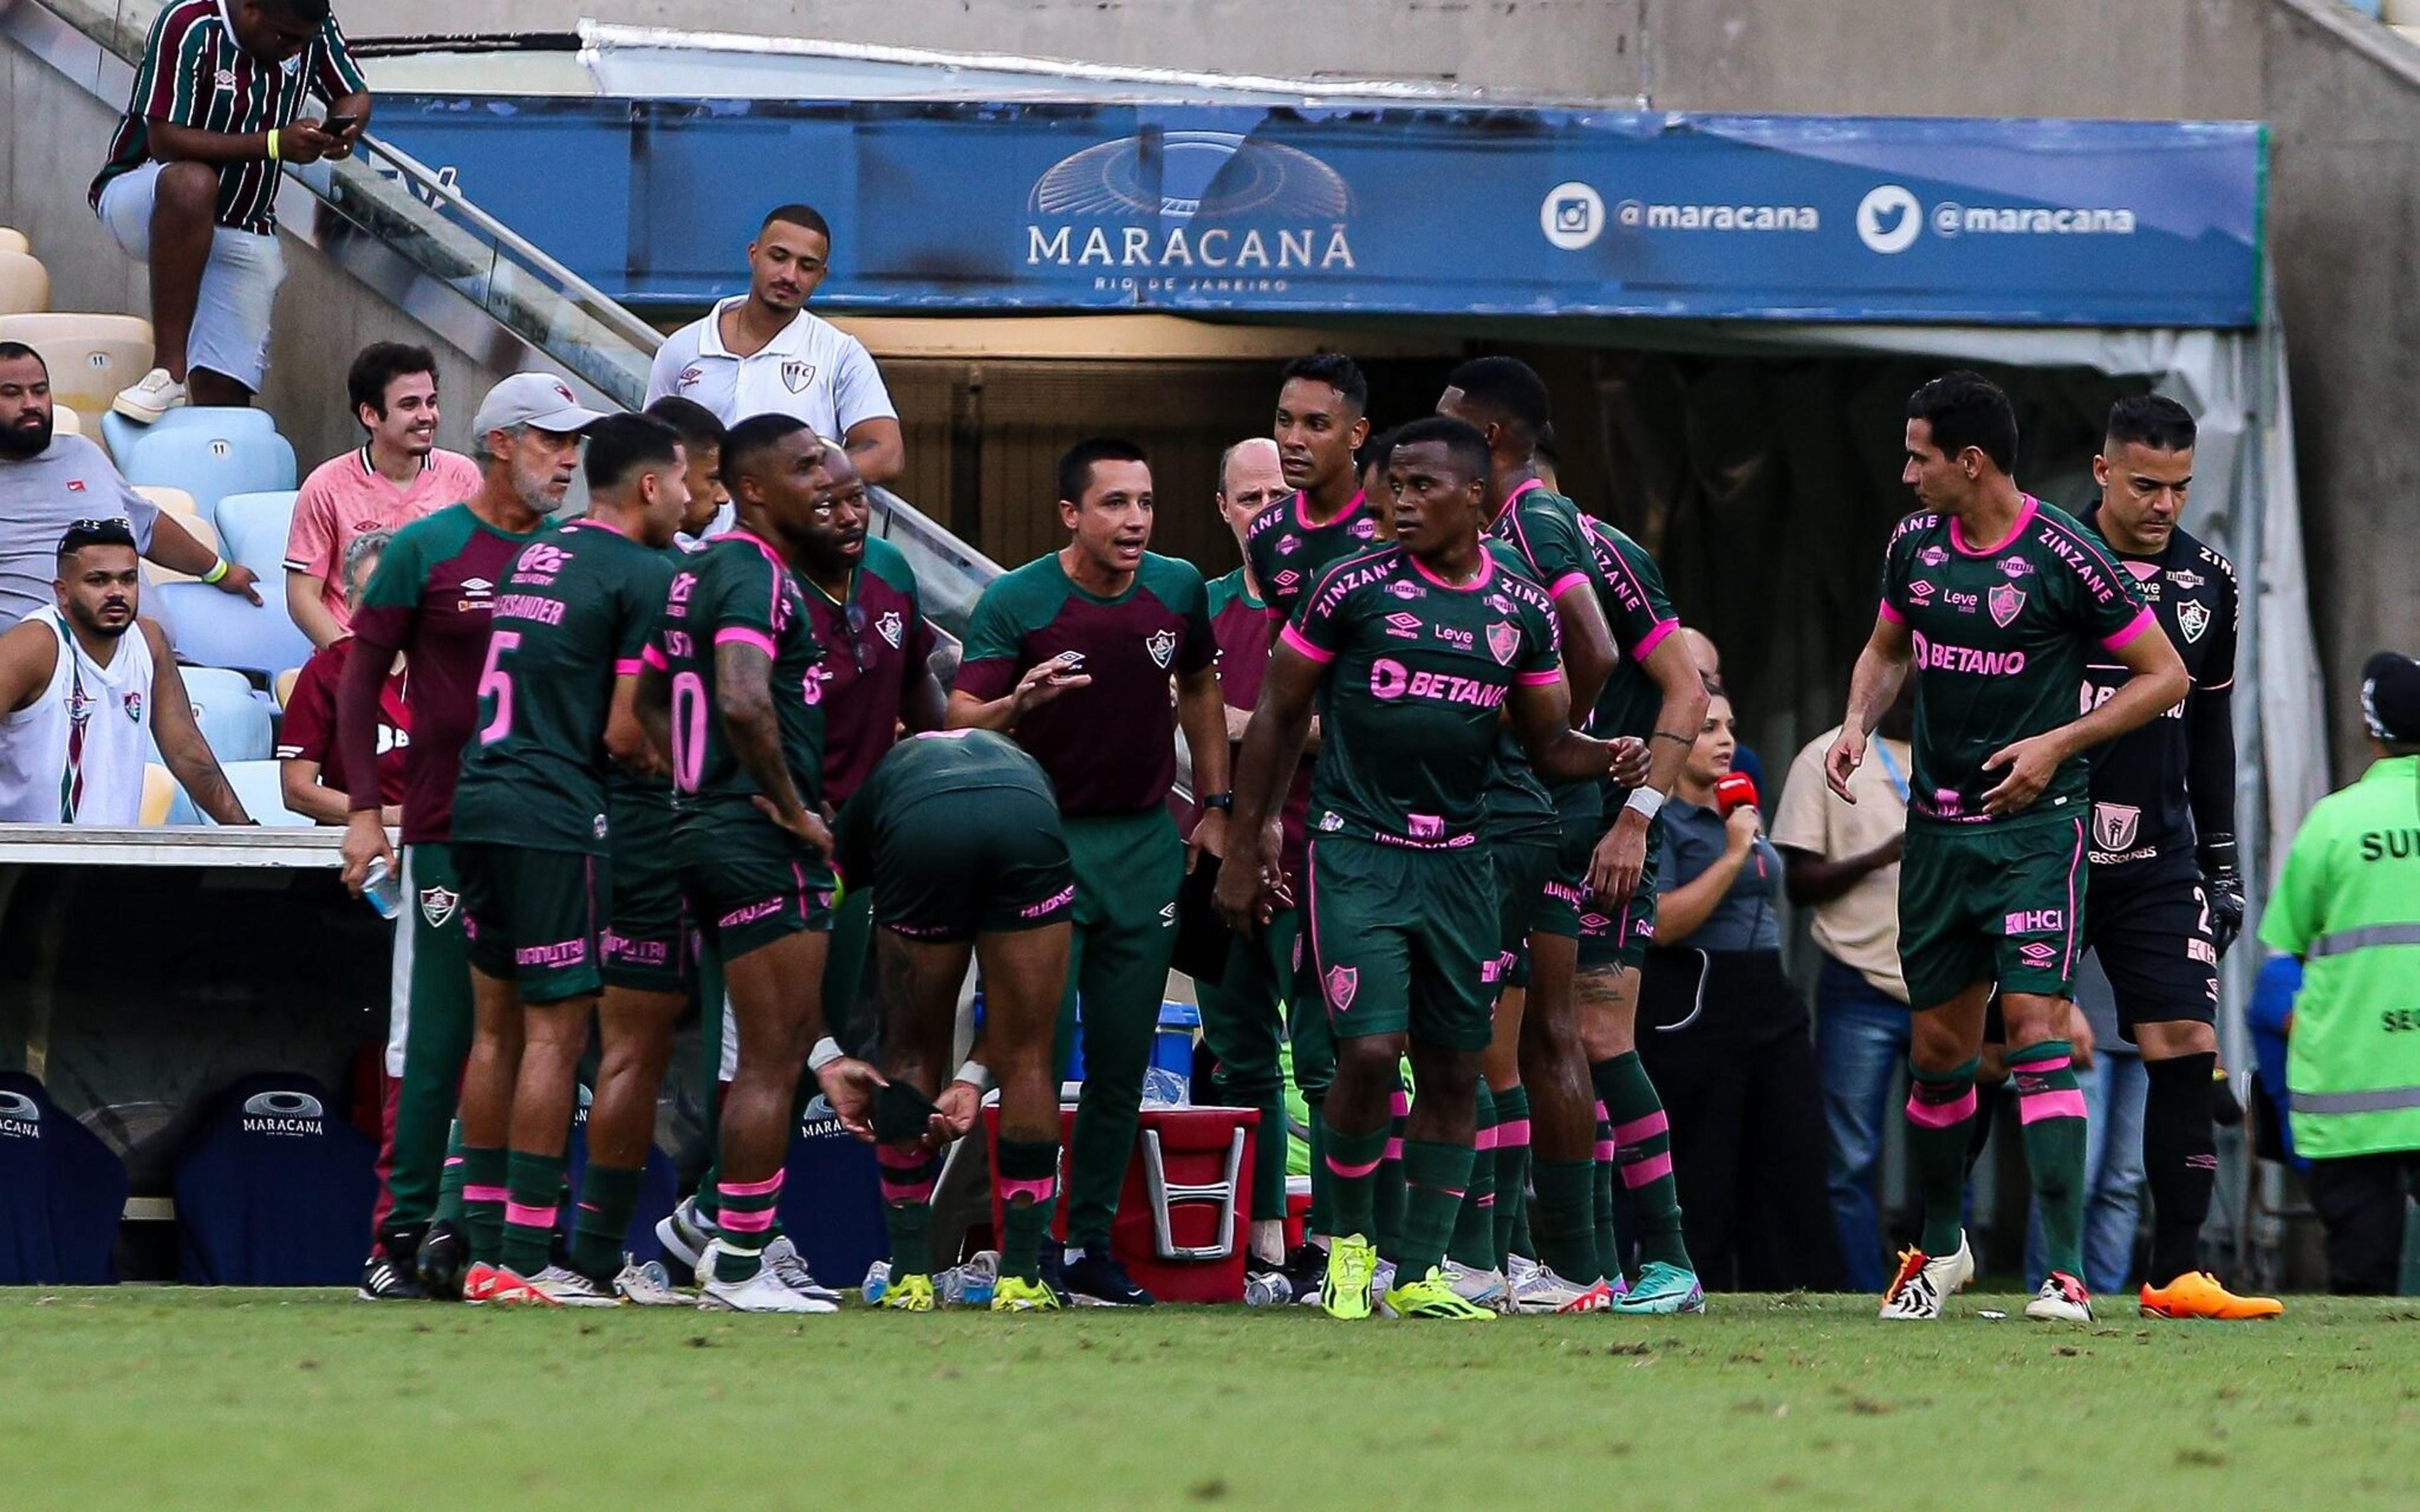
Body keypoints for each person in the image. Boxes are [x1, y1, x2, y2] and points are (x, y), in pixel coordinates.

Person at [1215, 416, 1650, 1322]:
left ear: (1475, 500)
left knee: (1455, 1069)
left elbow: (1546, 743)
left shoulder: (1521, 613)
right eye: (1396, 486)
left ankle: (1418, 1275)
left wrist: (1610, 757)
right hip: (1356, 850)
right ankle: (1349, 1252)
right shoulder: (1347, 589)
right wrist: (1245, 835)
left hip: (1461, 860)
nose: (1400, 501)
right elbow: (1277, 717)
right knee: (1370, 1051)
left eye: (1422, 487)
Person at [1828, 370, 2188, 1324]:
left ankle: (2063, 1273)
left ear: (1970, 461)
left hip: (2035, 831)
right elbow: (1885, 649)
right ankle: (1942, 1251)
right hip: (1940, 833)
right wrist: (1858, 724)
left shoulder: (2066, 552)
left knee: (2036, 1030)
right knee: (1939, 1054)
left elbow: (2165, 677)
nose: (1907, 475)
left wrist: (2057, 745)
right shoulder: (1914, 545)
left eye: (1919, 456)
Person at [337, 372, 605, 1302]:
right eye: (550, 442)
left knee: (556, 1038)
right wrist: (368, 810)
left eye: (575, 446)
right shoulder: (430, 548)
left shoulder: (580, 556)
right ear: (499, 443)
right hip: (450, 826)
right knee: (439, 1035)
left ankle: (498, 1237)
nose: (568, 461)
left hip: (564, 829)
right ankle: (400, 1235)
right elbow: (359, 677)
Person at [947, 437, 1229, 1307]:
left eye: (1144, 502)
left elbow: (1199, 689)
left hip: (1144, 846)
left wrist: (1215, 804)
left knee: (1120, 1061)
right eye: (1114, 503)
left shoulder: (1177, 587)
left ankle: (1091, 1248)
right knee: (1027, 1052)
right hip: (1047, 845)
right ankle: (1018, 1251)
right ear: (1070, 513)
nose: (1135, 520)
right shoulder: (1018, 599)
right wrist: (1018, 703)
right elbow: (962, 718)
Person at [440, 415, 687, 1306]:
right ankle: (531, 1254)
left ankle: (480, 1246)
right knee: (557, 1032)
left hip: (480, 797)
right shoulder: (648, 573)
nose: (693, 501)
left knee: (496, 1028)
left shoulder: (537, 556)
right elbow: (625, 729)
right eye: (687, 483)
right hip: (553, 812)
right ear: (652, 487)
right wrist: (671, 756)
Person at [634, 416, 858, 1314]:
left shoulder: (701, 571)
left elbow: (650, 695)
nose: (824, 482)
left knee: (769, 1052)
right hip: (757, 836)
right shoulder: (751, 570)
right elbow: (739, 697)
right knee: (775, 1057)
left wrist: (690, 779)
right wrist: (792, 806)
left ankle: (702, 1229)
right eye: (805, 468)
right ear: (752, 488)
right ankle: (738, 1264)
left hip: (709, 824)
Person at [2070, 394, 2278, 1320]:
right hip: (2053, 838)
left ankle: (2177, 1273)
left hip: (2158, 852)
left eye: (2181, 488)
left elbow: (2213, 726)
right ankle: (1946, 1245)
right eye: (2146, 484)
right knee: (1995, 1046)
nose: (2164, 504)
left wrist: (2223, 865)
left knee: (2185, 1046)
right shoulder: (2048, 561)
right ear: (2103, 470)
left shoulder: (2211, 580)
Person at [1437, 357, 1624, 1312]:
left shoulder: (1532, 517)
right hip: (1556, 805)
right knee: (1540, 1035)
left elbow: (1593, 646)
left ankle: (1505, 1257)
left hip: (1530, 808)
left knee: (1503, 1035)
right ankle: (1553, 1263)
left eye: (1449, 427)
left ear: (1493, 438)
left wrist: (1537, 742)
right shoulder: (1520, 520)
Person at [825, 728, 1078, 1313]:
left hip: (923, 826)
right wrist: (974, 1076)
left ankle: (910, 1275)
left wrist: (820, 1048)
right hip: (1026, 814)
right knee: (1030, 1055)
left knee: (910, 1052)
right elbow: (1018, 1021)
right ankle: (1020, 1279)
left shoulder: (866, 801)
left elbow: (806, 914)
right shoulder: (1017, 761)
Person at [1634, 694, 1840, 1292]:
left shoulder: (1739, 805)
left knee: (1791, 1148)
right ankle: (1691, 1279)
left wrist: (1740, 834)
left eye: (1730, 726)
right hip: (1699, 997)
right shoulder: (1664, 822)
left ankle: (1796, 1284)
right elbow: (1663, 923)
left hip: (1767, 994)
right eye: (1707, 729)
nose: (1726, 739)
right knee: (1707, 1157)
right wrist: (1730, 857)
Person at [1564, 501, 1712, 1313]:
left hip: (1605, 832)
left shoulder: (1601, 552)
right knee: (1526, 1047)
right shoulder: (1462, 550)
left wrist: (1635, 818)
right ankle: (1577, 1264)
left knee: (1595, 1038)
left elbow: (1683, 689)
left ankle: (1668, 1256)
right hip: (1519, 829)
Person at [90, 0, 369, 420]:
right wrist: (274, 144)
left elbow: (353, 93)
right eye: (287, 38)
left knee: (227, 405)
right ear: (251, 8)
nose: (296, 51)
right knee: (193, 184)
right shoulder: (189, 24)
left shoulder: (308, 21)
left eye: (304, 42)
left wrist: (345, 128)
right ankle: (168, 370)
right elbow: (165, 139)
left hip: (243, 218)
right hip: (145, 195)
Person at [2257, 651, 2420, 1296]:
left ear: (2369, 728)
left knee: (2362, 1286)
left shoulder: (2334, 823)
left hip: (2354, 1091)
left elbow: (2284, 947)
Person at [1194, 434, 1315, 1297]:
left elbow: (1361, 714)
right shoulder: (1193, 607)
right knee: (1238, 1058)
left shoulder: (1337, 599)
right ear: (1224, 511)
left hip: (1318, 859)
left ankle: (1351, 1245)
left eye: (1279, 499)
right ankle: (1265, 1245)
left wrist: (1252, 726)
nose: (1266, 515)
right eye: (1250, 501)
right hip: (1212, 860)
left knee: (1330, 1059)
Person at [1773, 683, 1915, 1295]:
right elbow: (1798, 885)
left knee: (1950, 1155)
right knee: (1850, 1162)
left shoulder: (1972, 755)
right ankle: (1862, 1292)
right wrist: (1881, 856)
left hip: (1947, 986)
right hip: (1858, 983)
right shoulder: (1824, 756)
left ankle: (1934, 1285)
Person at [0, 520, 250, 824]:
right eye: (98, 581)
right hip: (27, 860)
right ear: (62, 592)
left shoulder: (149, 640)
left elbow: (187, 752)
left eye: (128, 579)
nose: (116, 592)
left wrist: (250, 835)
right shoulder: (36, 645)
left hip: (112, 858)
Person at [1, 343, 260, 627]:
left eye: (39, 391)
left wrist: (219, 572)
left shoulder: (82, 453)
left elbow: (147, 526)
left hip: (152, 655)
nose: (31, 404)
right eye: (11, 394)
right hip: (43, 663)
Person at [645, 205, 903, 488]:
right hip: (694, 533)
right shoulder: (682, 347)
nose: (790, 276)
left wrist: (794, 481)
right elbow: (649, 450)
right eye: (779, 257)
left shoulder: (841, 354)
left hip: (791, 533)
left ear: (822, 275)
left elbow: (887, 454)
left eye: (807, 266)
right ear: (753, 255)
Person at [283, 344, 481, 649]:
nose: (427, 416)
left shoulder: (462, 476)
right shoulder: (326, 486)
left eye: (431, 402)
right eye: (410, 405)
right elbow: (302, 597)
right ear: (370, 414)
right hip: (354, 658)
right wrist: (349, 663)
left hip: (439, 664)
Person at [276, 529, 406, 825]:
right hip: (351, 847)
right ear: (349, 602)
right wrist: (389, 817)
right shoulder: (324, 674)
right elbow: (297, 790)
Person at [1244, 354, 1378, 627]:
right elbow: (1280, 651)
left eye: (1316, 425)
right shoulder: (1265, 532)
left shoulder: (1393, 520)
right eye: (1284, 421)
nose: (1293, 440)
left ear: (1357, 434)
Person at [1680, 627, 1763, 794]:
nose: (1726, 741)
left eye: (1699, 677)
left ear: (1716, 683)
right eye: (1709, 728)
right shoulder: (1628, 755)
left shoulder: (1742, 765)